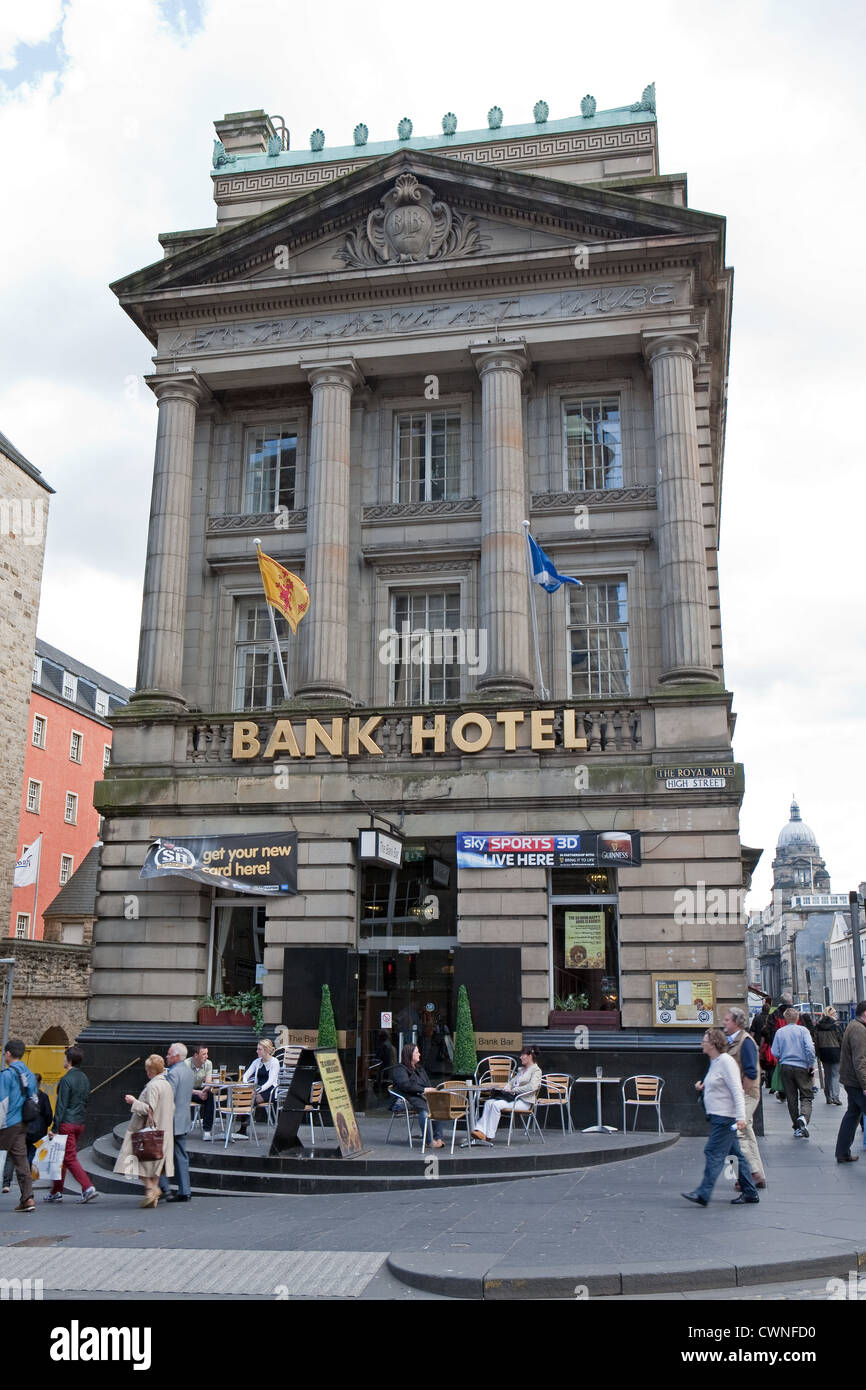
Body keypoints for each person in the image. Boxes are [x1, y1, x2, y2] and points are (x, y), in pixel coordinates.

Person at [682, 1028, 760, 1207]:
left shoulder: (726, 1062)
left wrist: (740, 1117)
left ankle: (703, 1192)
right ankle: (750, 1192)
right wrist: (703, 1087)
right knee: (736, 1155)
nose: (702, 1043)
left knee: (713, 1152)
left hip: (725, 1118)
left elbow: (736, 1090)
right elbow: (719, 1085)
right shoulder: (716, 1061)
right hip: (719, 1116)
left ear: (713, 1043)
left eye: (705, 1040)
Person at [114, 1054, 175, 1207]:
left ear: (151, 1071)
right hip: (164, 1131)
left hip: (149, 1133)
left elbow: (149, 1109)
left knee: (136, 1162)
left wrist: (134, 1101)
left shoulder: (153, 1086)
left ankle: (151, 1189)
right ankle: (152, 1194)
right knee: (153, 1167)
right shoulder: (166, 1085)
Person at [43, 1045, 97, 1204]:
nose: (63, 1060)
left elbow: (61, 1105)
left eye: (65, 1057)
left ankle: (87, 1187)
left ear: (70, 1060)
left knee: (69, 1157)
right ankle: (56, 1191)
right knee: (63, 1157)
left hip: (67, 1122)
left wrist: (54, 1128)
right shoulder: (84, 1078)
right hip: (79, 1121)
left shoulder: (66, 1079)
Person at [723, 1007, 766, 1189]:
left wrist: (739, 1097)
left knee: (736, 1131)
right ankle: (757, 1175)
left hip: (746, 1094)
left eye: (727, 1020)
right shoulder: (732, 1042)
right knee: (746, 1132)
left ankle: (749, 1173)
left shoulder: (746, 1042)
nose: (724, 1022)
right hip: (740, 1094)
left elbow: (750, 1072)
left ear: (736, 1023)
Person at [471, 1046, 543, 1144]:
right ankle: (479, 1130)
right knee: (489, 1102)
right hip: (514, 1098)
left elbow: (532, 1087)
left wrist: (515, 1090)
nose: (521, 1057)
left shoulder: (536, 1070)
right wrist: (507, 1087)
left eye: (523, 1055)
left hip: (524, 1102)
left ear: (530, 1056)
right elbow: (511, 1081)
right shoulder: (522, 1070)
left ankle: (489, 1136)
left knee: (496, 1105)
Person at [0, 1039, 38, 1213]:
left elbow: (3, 1101)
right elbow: (34, 1098)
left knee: (9, 1158)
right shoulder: (29, 1074)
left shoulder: (7, 1075)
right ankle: (27, 1198)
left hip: (8, 1122)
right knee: (21, 1160)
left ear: (8, 1053)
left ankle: (27, 1199)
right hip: (23, 1122)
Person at [771, 1006, 817, 1137]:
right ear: (797, 1018)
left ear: (785, 1018)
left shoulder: (780, 1032)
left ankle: (797, 1128)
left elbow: (774, 1052)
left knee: (791, 1098)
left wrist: (783, 1056)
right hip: (802, 1067)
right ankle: (803, 1118)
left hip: (786, 1067)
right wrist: (810, 1063)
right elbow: (810, 1048)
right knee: (806, 1095)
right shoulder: (803, 1030)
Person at [3, 1072, 51, 1195]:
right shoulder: (43, 1097)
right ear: (39, 1083)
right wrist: (47, 1125)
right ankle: (27, 1181)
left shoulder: (22, 1096)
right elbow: (48, 1115)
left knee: (12, 1156)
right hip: (38, 1132)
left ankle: (6, 1183)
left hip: (21, 1129)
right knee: (31, 1155)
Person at [158, 1043, 195, 1202]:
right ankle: (184, 1190)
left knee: (158, 1154)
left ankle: (164, 1187)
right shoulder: (188, 1071)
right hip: (183, 1119)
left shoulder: (173, 1073)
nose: (166, 1056)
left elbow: (168, 1097)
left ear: (177, 1056)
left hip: (171, 1120)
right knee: (180, 1155)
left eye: (169, 1054)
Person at [392, 1043, 444, 1147]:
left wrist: (431, 1090)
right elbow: (405, 1085)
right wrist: (424, 1090)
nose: (419, 1054)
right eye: (417, 1052)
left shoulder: (419, 1069)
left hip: (419, 1098)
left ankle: (438, 1138)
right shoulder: (400, 1069)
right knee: (425, 1112)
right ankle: (429, 1141)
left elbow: (427, 1084)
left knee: (437, 1106)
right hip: (403, 1101)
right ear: (409, 1054)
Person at [834, 999, 866, 1164]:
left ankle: (842, 1152)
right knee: (852, 1115)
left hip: (851, 1080)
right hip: (857, 1082)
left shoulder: (854, 1025)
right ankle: (842, 1152)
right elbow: (859, 1059)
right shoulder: (859, 1030)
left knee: (852, 1114)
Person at [237, 1039, 280, 1137]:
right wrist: (247, 1087)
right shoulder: (256, 1061)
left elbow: (270, 1082)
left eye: (259, 1049)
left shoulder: (275, 1062)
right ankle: (243, 1127)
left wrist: (256, 1091)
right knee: (245, 1097)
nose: (257, 1051)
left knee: (251, 1099)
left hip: (269, 1091)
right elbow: (246, 1076)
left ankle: (244, 1127)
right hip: (255, 1089)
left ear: (266, 1050)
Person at [186, 1044, 215, 1141]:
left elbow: (208, 1081)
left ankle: (207, 1130)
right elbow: (183, 1087)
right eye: (204, 1054)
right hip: (185, 1091)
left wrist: (205, 1090)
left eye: (207, 1053)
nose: (206, 1056)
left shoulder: (208, 1063)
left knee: (210, 1096)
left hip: (199, 1089)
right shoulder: (186, 1064)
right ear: (196, 1055)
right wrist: (197, 1093)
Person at [816, 1007, 844, 1106]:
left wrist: (818, 1053)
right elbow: (841, 1039)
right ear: (831, 1014)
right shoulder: (835, 1026)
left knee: (827, 1075)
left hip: (824, 1052)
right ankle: (836, 1096)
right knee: (835, 1075)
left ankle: (828, 1096)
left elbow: (816, 1040)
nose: (836, 1015)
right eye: (834, 1013)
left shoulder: (818, 1026)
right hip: (835, 1051)